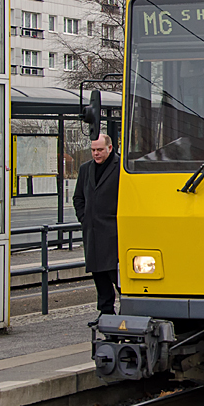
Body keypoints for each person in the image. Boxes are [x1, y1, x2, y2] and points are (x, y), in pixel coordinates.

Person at [73, 134, 120, 315]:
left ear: (109, 148)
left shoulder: (120, 167)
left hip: (113, 232)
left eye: (99, 150)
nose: (96, 153)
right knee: (99, 274)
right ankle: (106, 312)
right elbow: (78, 197)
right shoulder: (86, 169)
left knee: (115, 274)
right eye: (93, 150)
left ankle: (128, 311)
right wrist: (84, 218)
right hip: (92, 231)